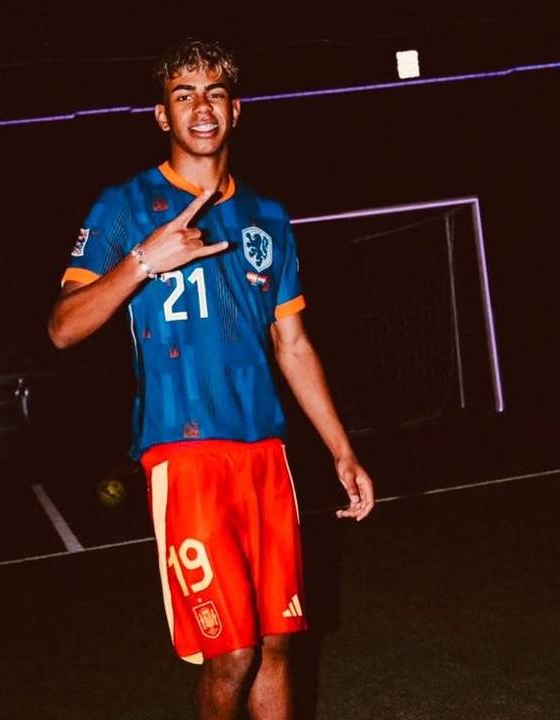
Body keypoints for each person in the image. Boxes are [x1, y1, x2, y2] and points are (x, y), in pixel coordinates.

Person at [48, 37, 375, 720]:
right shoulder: (124, 205)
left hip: (266, 454)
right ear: (162, 115)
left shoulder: (267, 216)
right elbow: (63, 328)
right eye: (184, 94)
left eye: (215, 93)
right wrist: (143, 260)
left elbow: (292, 343)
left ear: (236, 109)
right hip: (185, 452)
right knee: (232, 652)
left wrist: (342, 450)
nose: (202, 107)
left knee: (279, 643)